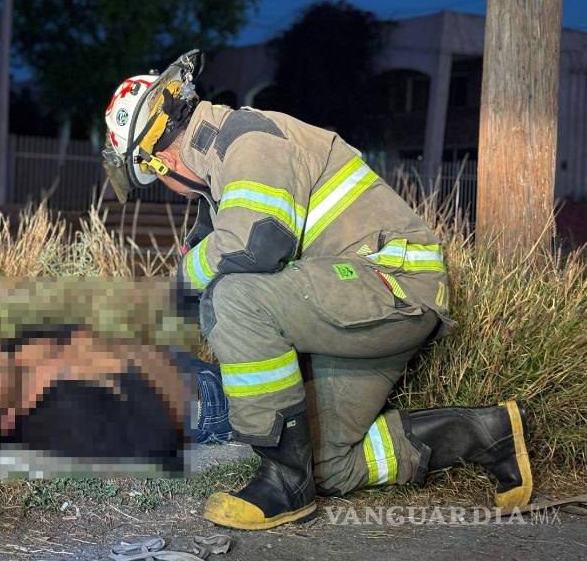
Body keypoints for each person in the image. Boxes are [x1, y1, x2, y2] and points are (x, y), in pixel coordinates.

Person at [102, 50, 533, 530]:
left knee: (234, 301)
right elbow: (219, 254)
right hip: (357, 311)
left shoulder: (246, 140)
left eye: (157, 180)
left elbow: (255, 245)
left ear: (160, 160)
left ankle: (283, 483)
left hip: (390, 288)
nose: (167, 188)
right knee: (327, 465)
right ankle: (484, 434)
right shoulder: (220, 174)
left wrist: (177, 290)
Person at [0, 323, 228, 472]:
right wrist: (117, 364)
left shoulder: (15, 357)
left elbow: (75, 333)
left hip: (181, 364)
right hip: (207, 403)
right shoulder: (66, 420)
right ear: (7, 420)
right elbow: (157, 441)